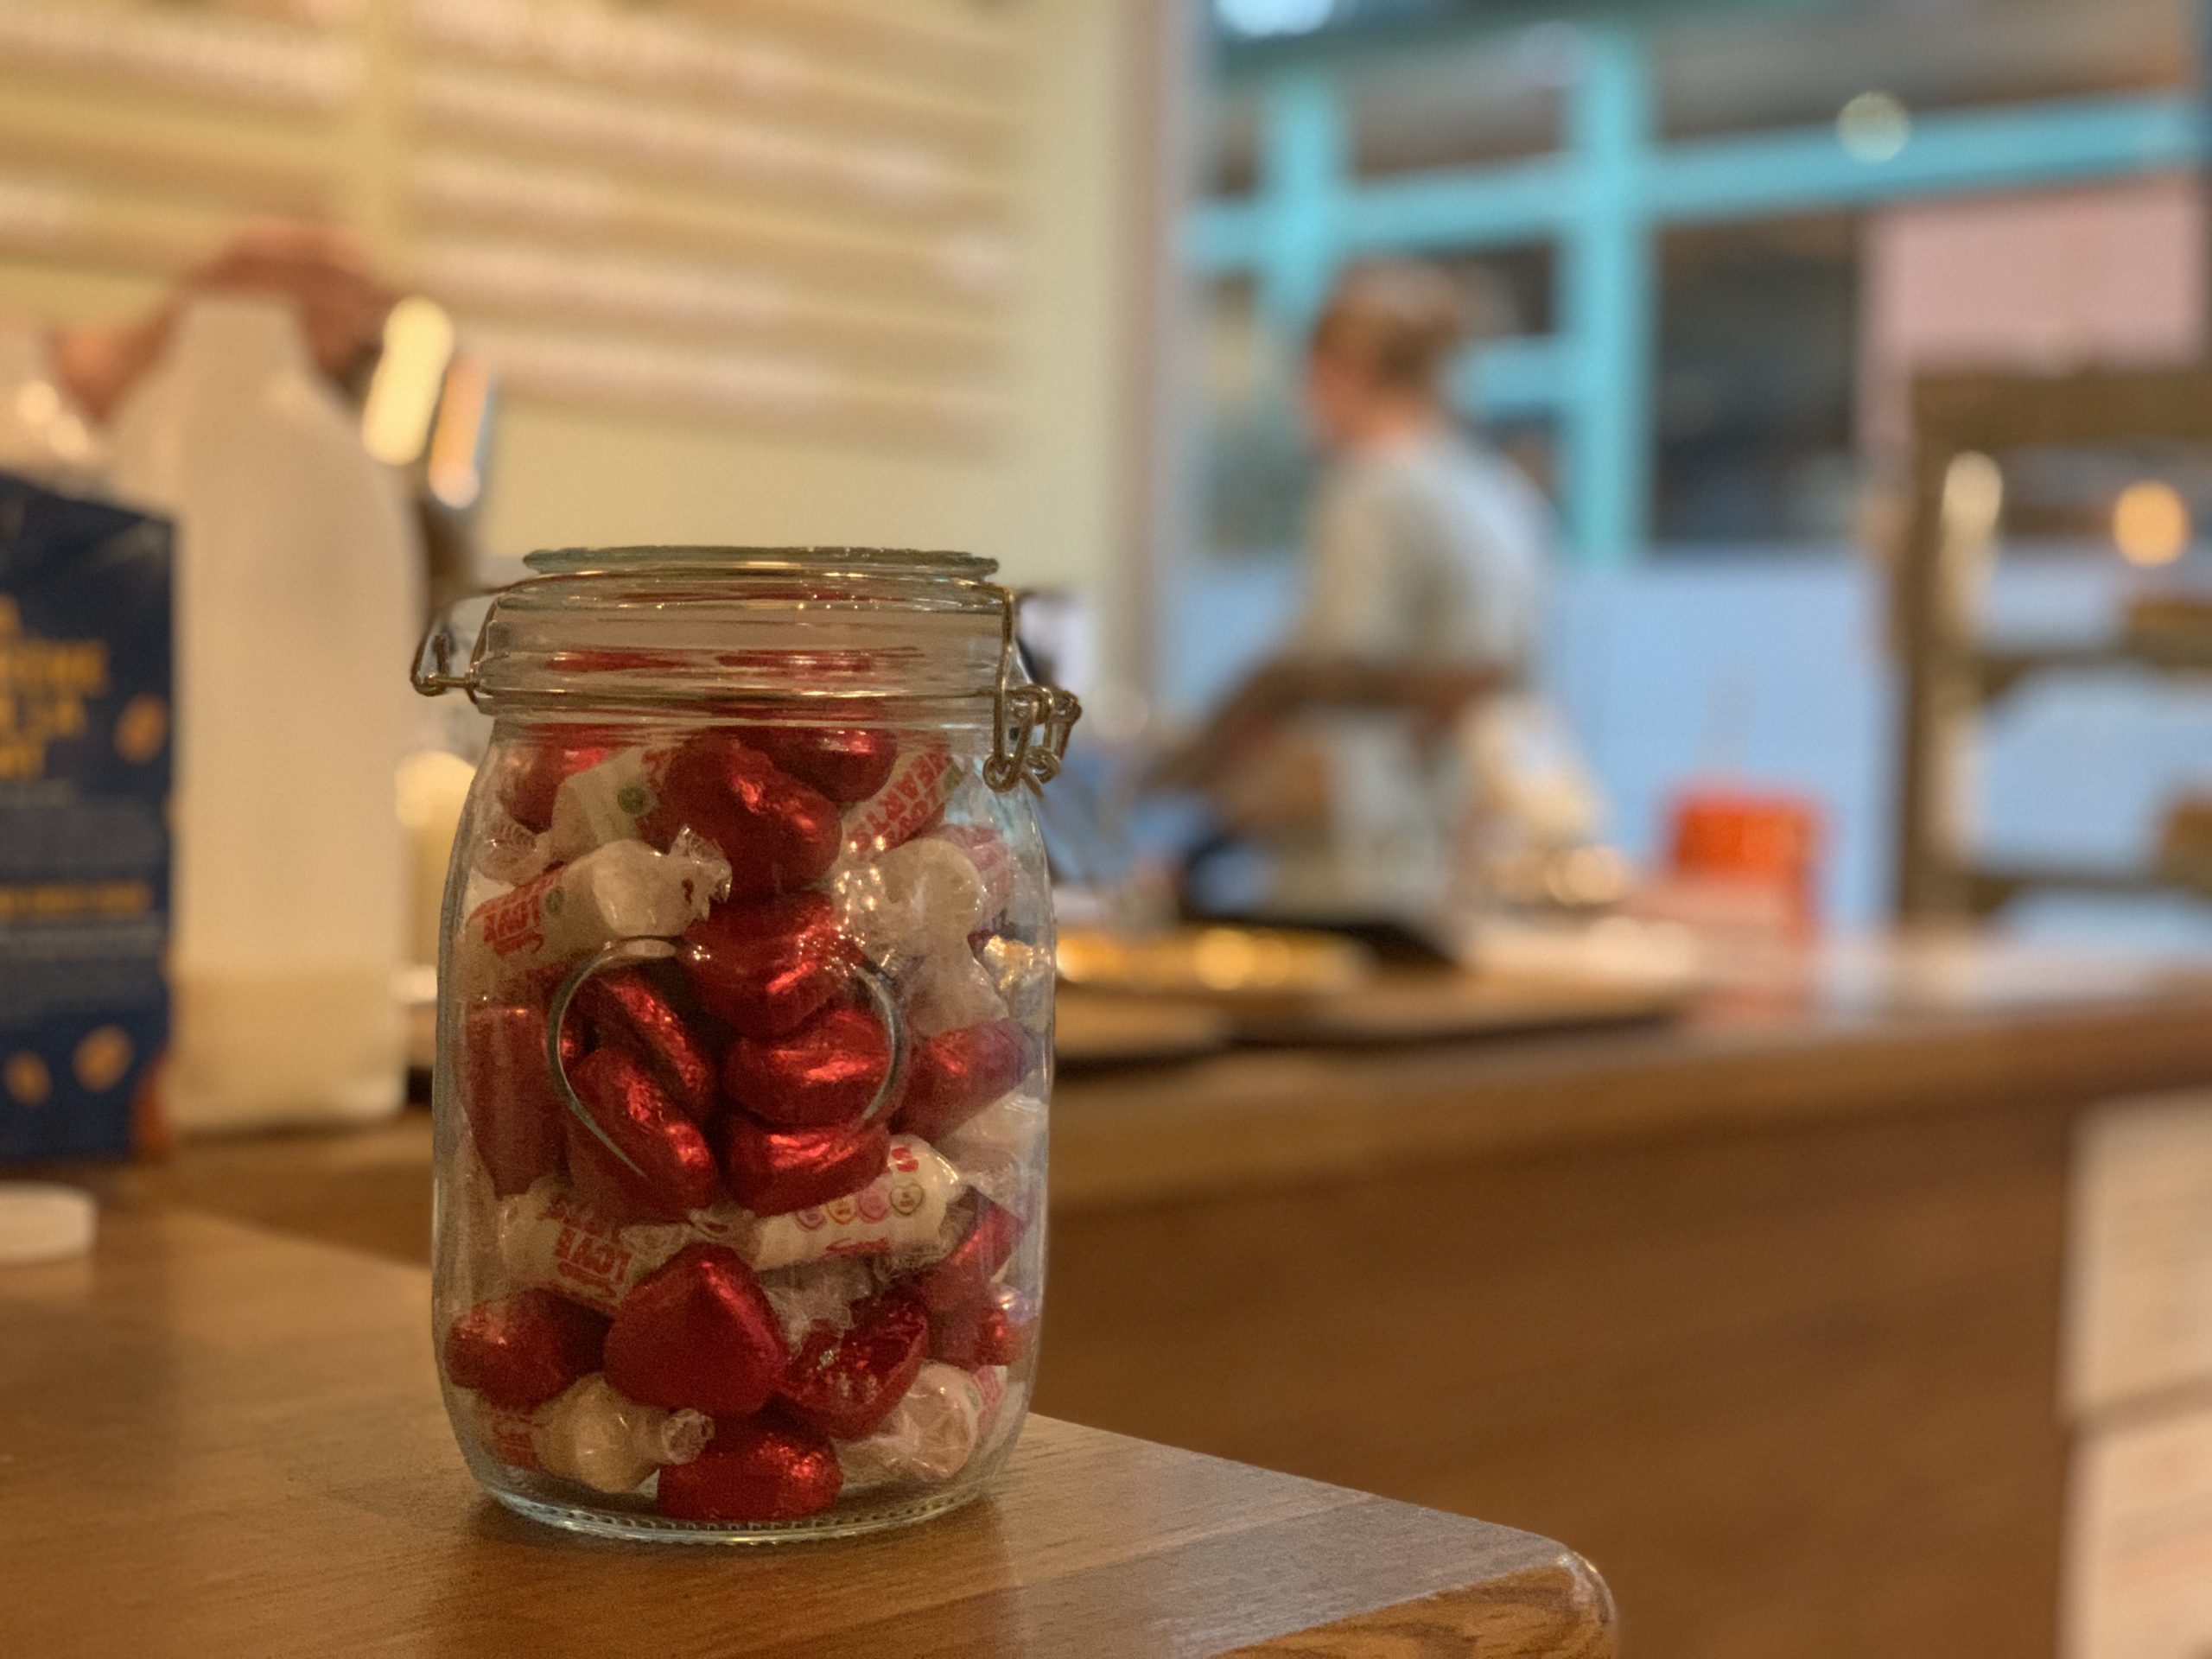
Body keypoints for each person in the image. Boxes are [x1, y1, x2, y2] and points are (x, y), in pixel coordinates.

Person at [1173, 261, 1597, 920]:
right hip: (1470, 856)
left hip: (1360, 868)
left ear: (1343, 371)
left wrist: (1189, 792)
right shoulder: (1501, 495)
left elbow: (1329, 681)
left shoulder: (1373, 493)